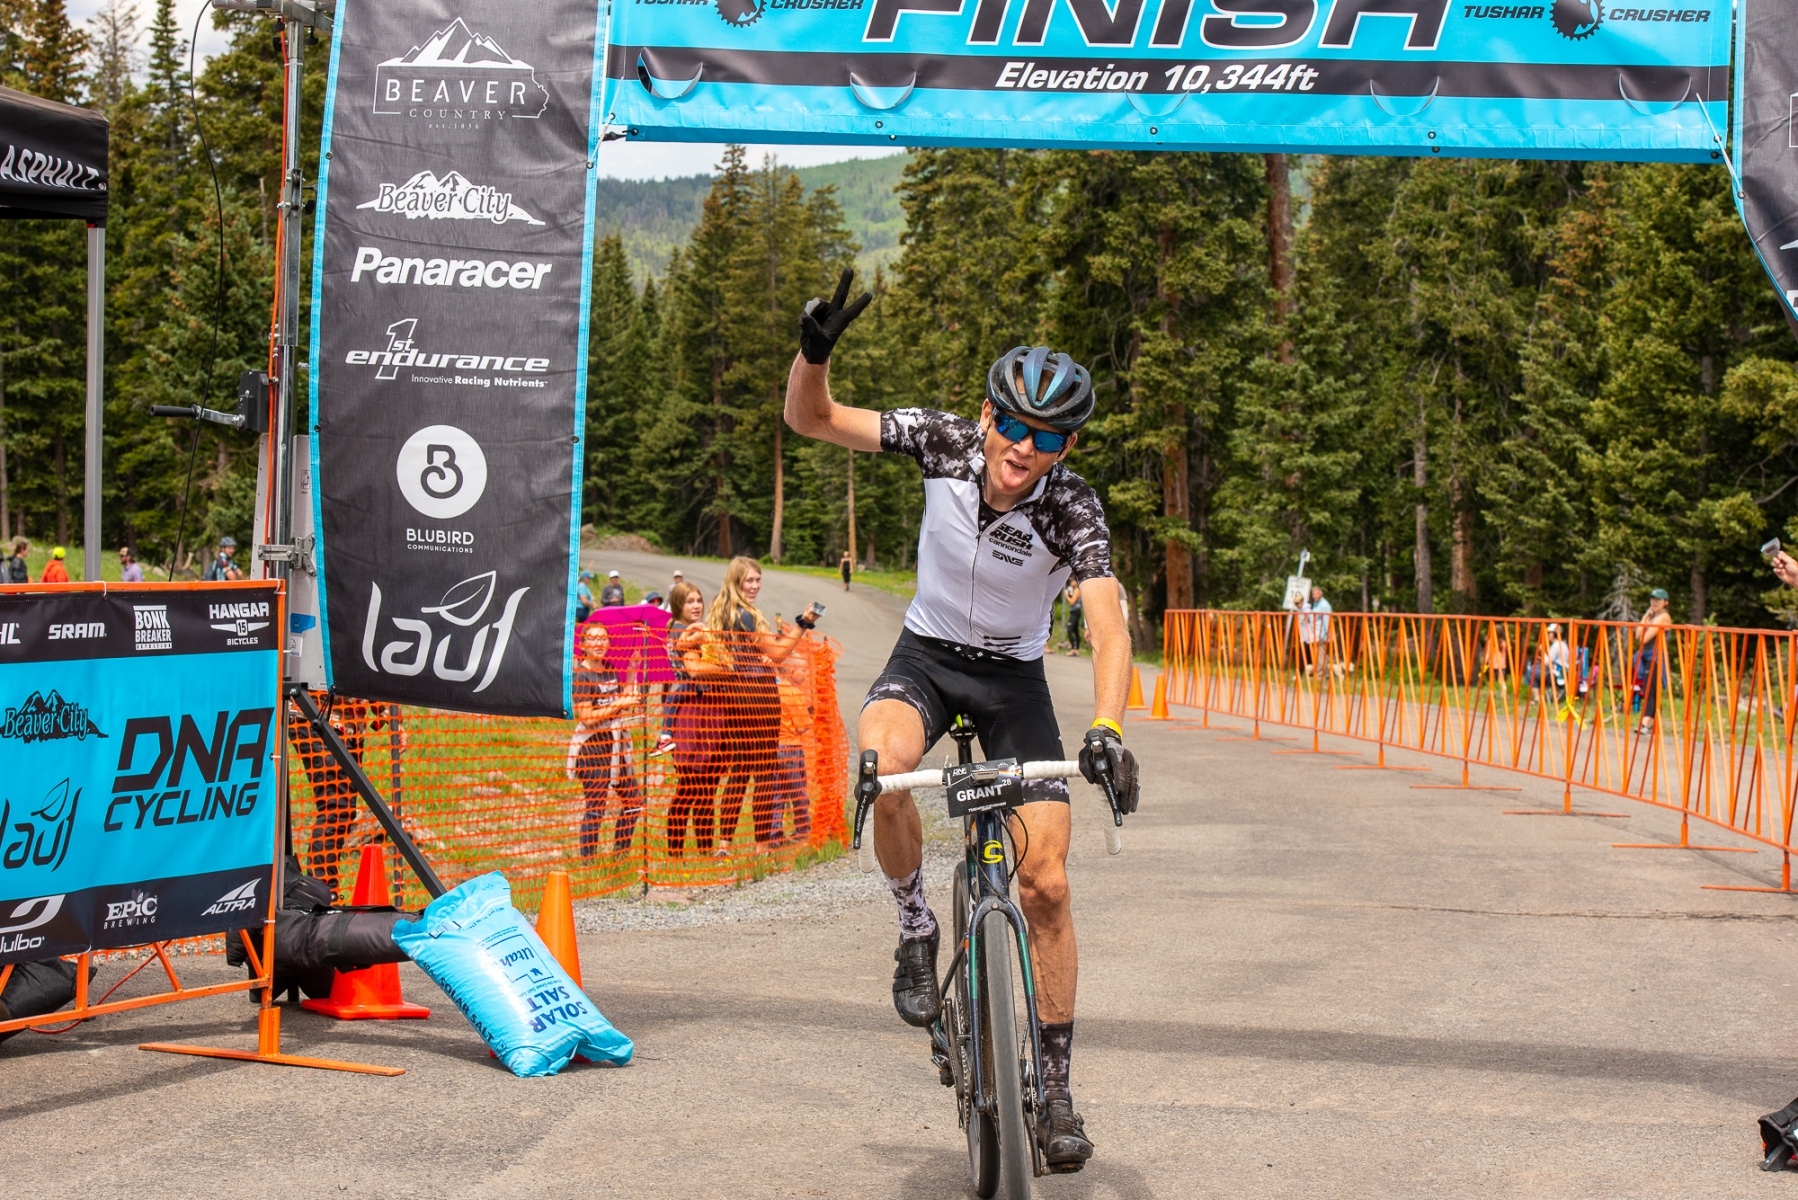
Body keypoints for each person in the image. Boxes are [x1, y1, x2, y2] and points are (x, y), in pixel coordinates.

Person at [784, 269, 1141, 1172]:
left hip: (1014, 681)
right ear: (986, 417)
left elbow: (1107, 621)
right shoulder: (941, 442)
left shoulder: (1072, 506)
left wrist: (1107, 726)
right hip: (928, 659)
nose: (1022, 447)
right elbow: (813, 420)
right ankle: (915, 927)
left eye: (1047, 436)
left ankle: (1055, 1088)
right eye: (1012, 425)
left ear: (1064, 446)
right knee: (884, 766)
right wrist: (813, 355)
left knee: (1048, 882)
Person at [705, 556, 816, 854]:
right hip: (759, 696)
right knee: (765, 773)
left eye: (757, 579)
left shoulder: (721, 611)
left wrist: (759, 656)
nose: (754, 586)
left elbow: (748, 652)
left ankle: (725, 844)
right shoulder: (747, 615)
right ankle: (761, 845)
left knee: (739, 770)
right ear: (736, 582)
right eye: (749, 581)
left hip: (734, 696)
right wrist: (803, 623)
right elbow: (778, 654)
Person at [286, 696, 405, 899]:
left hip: (349, 725)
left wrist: (391, 717)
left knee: (344, 810)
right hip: (315, 711)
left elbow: (368, 669)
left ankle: (323, 893)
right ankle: (322, 893)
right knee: (336, 807)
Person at [568, 622, 645, 858]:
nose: (599, 643)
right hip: (592, 749)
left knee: (634, 802)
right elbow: (587, 717)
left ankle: (620, 856)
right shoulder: (580, 675)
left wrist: (632, 669)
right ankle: (588, 863)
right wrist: (620, 703)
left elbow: (622, 699)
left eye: (603, 639)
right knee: (596, 808)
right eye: (593, 639)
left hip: (616, 747)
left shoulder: (611, 669)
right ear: (583, 644)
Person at [1634, 588, 1673, 736]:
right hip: (1647, 656)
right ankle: (1651, 724)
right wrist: (1646, 615)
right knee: (1651, 689)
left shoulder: (1664, 617)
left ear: (1665, 602)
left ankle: (1645, 724)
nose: (1654, 602)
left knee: (1651, 690)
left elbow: (1644, 638)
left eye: (1658, 599)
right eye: (1652, 599)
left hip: (1656, 656)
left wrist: (1646, 621)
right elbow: (1638, 634)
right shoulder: (1652, 616)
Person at [1298, 584, 1331, 676]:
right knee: (1320, 654)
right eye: (1313, 594)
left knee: (1321, 654)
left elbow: (1326, 620)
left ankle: (1321, 674)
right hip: (1316, 633)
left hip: (1322, 633)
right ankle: (1326, 672)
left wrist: (1325, 633)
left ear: (1321, 594)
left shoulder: (1324, 605)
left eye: (1317, 594)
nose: (1315, 596)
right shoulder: (1316, 604)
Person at [1063, 580, 1083, 654]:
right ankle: (1077, 649)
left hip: (1075, 611)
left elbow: (1072, 602)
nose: (1071, 582)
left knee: (1070, 629)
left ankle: (1073, 648)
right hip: (1075, 611)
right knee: (1075, 630)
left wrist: (1066, 595)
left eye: (1073, 581)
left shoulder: (1077, 590)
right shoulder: (1075, 590)